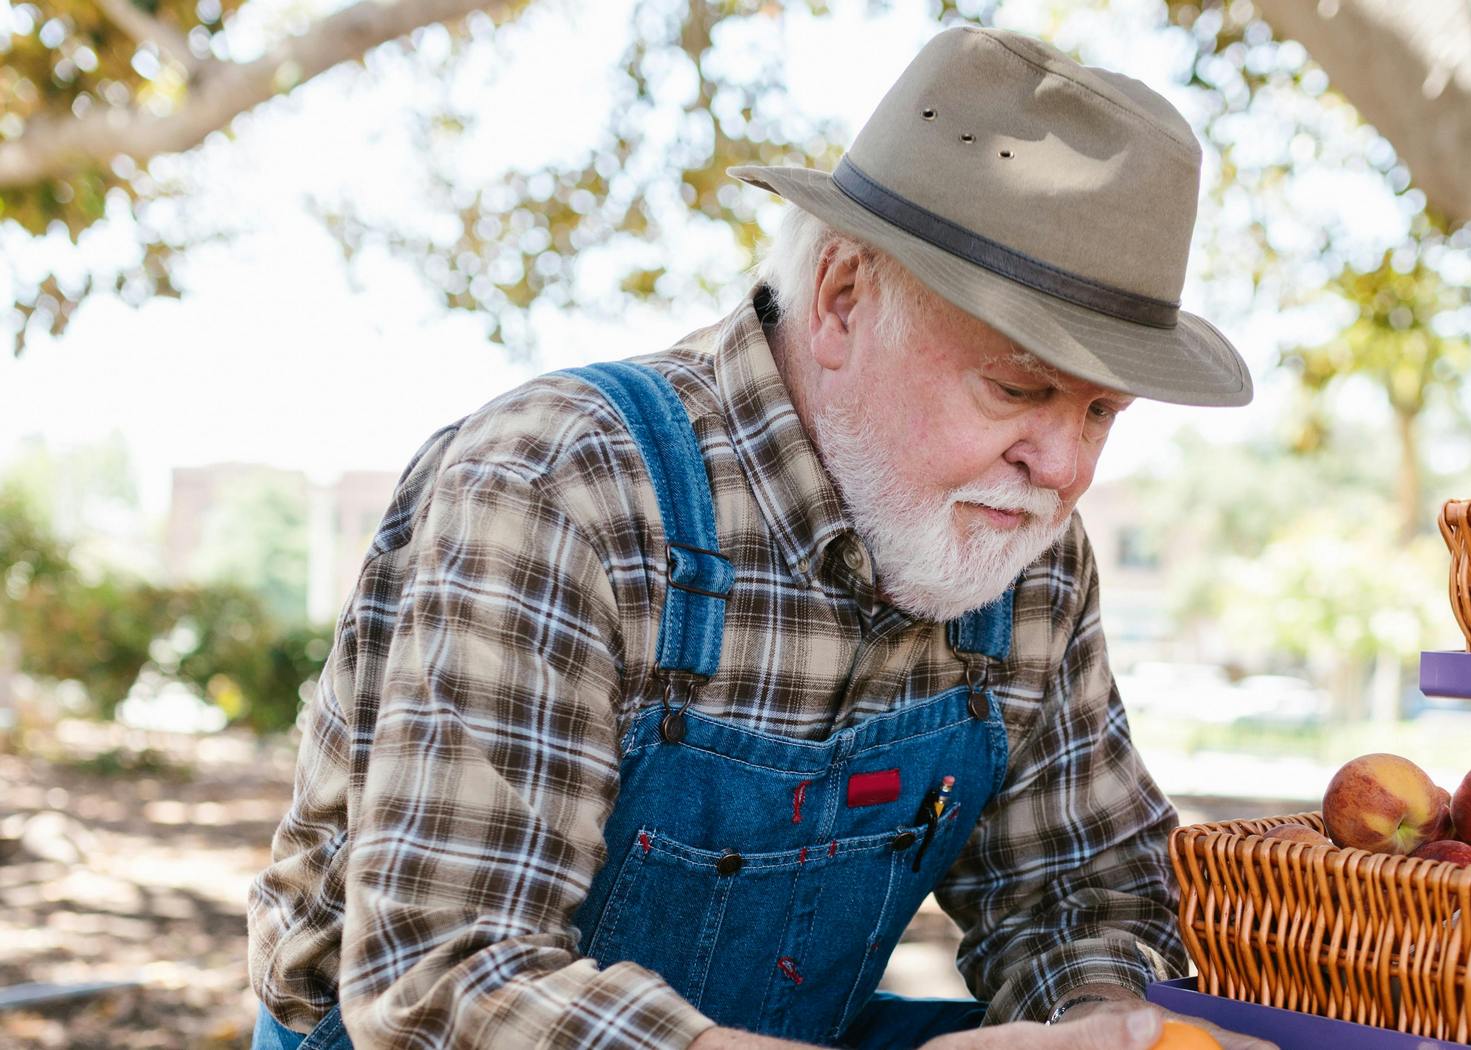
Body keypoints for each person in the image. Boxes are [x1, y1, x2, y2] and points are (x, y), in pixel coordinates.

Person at [247, 24, 1268, 1050]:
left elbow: (1086, 897)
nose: (1064, 469)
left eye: (1101, 415)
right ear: (842, 297)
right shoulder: (564, 486)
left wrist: (1095, 1024)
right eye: (1018, 387)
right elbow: (442, 979)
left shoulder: (1024, 545)